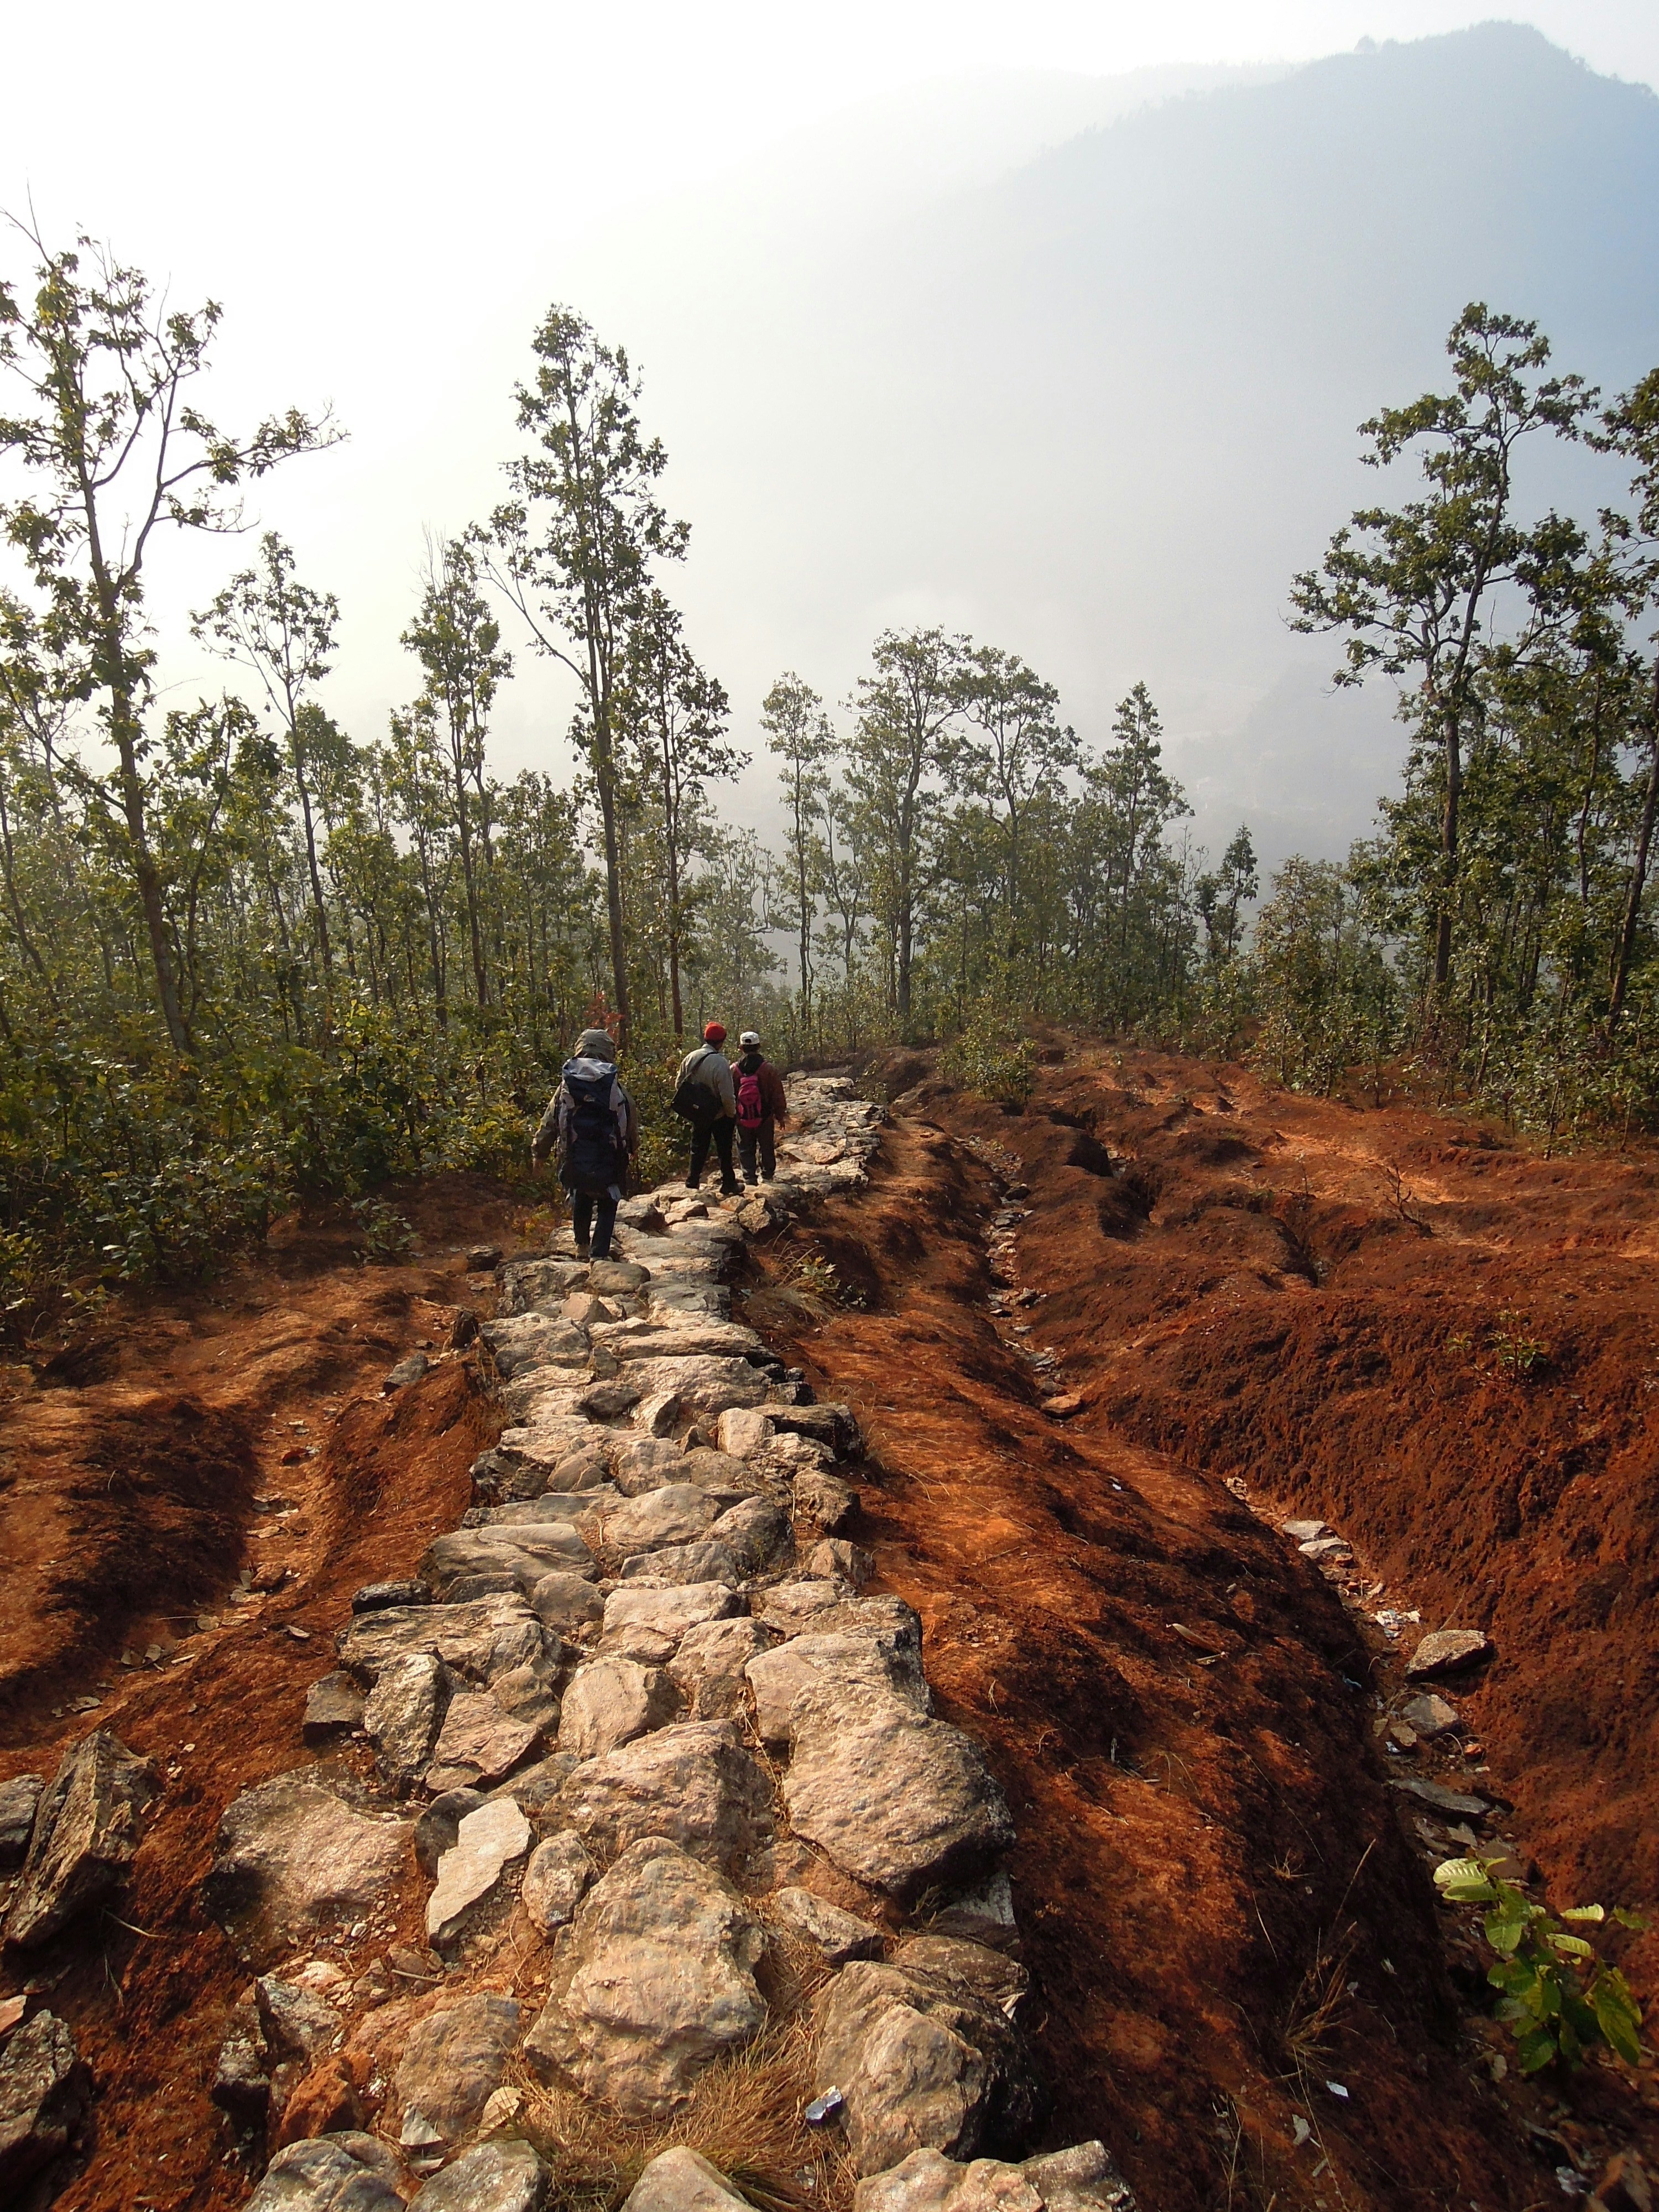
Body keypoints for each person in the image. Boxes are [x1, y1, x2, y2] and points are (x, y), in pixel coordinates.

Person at [530, 1027, 638, 1260]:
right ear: (608, 1052)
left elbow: (550, 1121)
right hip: (608, 1161)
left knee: (581, 1196)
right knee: (609, 1202)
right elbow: (630, 1118)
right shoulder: (613, 1086)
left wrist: (539, 1153)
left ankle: (581, 1246)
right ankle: (599, 1253)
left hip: (574, 1159)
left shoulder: (567, 1085)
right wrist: (632, 1147)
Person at [675, 1020, 741, 1196]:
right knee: (724, 1150)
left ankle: (692, 1181)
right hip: (718, 1114)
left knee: (698, 1146)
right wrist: (731, 1114)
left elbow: (678, 1084)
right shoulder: (720, 1063)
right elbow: (727, 1095)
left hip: (698, 1113)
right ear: (721, 1042)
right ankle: (728, 1183)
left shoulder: (690, 1057)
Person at [732, 1029, 788, 1184]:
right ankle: (768, 1175)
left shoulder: (734, 1070)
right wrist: (780, 1115)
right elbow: (777, 1094)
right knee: (766, 1145)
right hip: (764, 1116)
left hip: (742, 1117)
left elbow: (730, 1094)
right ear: (759, 1046)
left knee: (745, 1146)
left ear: (741, 1048)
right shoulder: (768, 1069)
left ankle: (749, 1176)